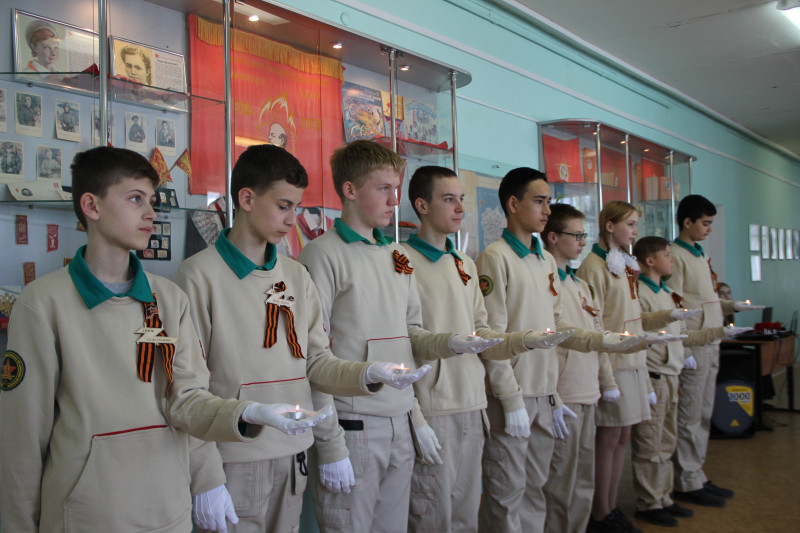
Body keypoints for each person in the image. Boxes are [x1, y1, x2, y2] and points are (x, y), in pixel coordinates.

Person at [0, 146, 334, 532]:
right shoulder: (42, 304)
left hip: (168, 509)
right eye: (135, 199)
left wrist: (249, 413)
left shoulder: (169, 300)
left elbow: (188, 400)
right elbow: (22, 438)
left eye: (152, 200)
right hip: (86, 515)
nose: (151, 212)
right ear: (91, 206)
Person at [174, 144, 432, 532]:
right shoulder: (197, 277)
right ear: (247, 199)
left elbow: (316, 362)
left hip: (295, 452)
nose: (292, 219)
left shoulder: (295, 275)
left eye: (296, 207)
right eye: (283, 206)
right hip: (235, 456)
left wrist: (367, 374)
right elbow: (186, 390)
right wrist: (205, 475)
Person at [297, 140, 499, 533]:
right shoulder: (322, 255)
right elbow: (311, 358)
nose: (394, 200)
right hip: (353, 423)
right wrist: (330, 443)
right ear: (349, 190)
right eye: (383, 189)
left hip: (400, 419)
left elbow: (411, 334)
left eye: (396, 188)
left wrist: (451, 344)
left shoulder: (396, 255)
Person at [402, 166, 573, 532]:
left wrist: (526, 340)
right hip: (435, 404)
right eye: (449, 199)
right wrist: (415, 413)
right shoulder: (403, 261)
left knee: (467, 514)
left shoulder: (463, 262)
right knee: (433, 513)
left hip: (474, 402)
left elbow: (484, 331)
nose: (459, 208)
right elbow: (404, 340)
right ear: (422, 205)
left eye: (461, 199)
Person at [475, 171, 644, 533]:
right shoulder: (495, 258)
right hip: (513, 396)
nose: (547, 210)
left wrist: (602, 340)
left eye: (548, 202)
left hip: (545, 391)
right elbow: (492, 336)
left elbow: (557, 326)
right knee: (507, 495)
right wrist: (510, 399)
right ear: (513, 204)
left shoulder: (545, 261)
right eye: (539, 201)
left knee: (537, 490)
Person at [576, 201, 693, 533]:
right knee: (609, 437)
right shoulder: (594, 266)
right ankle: (600, 513)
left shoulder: (626, 265)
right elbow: (596, 325)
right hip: (614, 363)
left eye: (636, 224)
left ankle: (611, 507)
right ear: (610, 226)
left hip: (634, 361)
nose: (635, 231)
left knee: (623, 437)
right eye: (629, 224)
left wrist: (668, 317)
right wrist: (607, 376)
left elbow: (634, 319)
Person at [666, 195, 764, 507]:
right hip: (694, 343)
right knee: (689, 414)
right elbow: (676, 305)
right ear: (687, 222)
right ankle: (685, 480)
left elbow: (705, 299)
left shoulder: (700, 253)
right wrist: (683, 346)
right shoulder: (676, 256)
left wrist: (732, 306)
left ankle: (697, 473)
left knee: (704, 412)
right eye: (705, 223)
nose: (708, 229)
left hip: (711, 341)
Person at [540, 203, 618, 533]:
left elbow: (597, 336)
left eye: (584, 234)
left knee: (583, 478)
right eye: (576, 235)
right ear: (553, 237)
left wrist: (607, 382)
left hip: (588, 391)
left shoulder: (580, 284)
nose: (583, 242)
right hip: (565, 392)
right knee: (560, 480)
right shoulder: (546, 283)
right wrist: (553, 395)